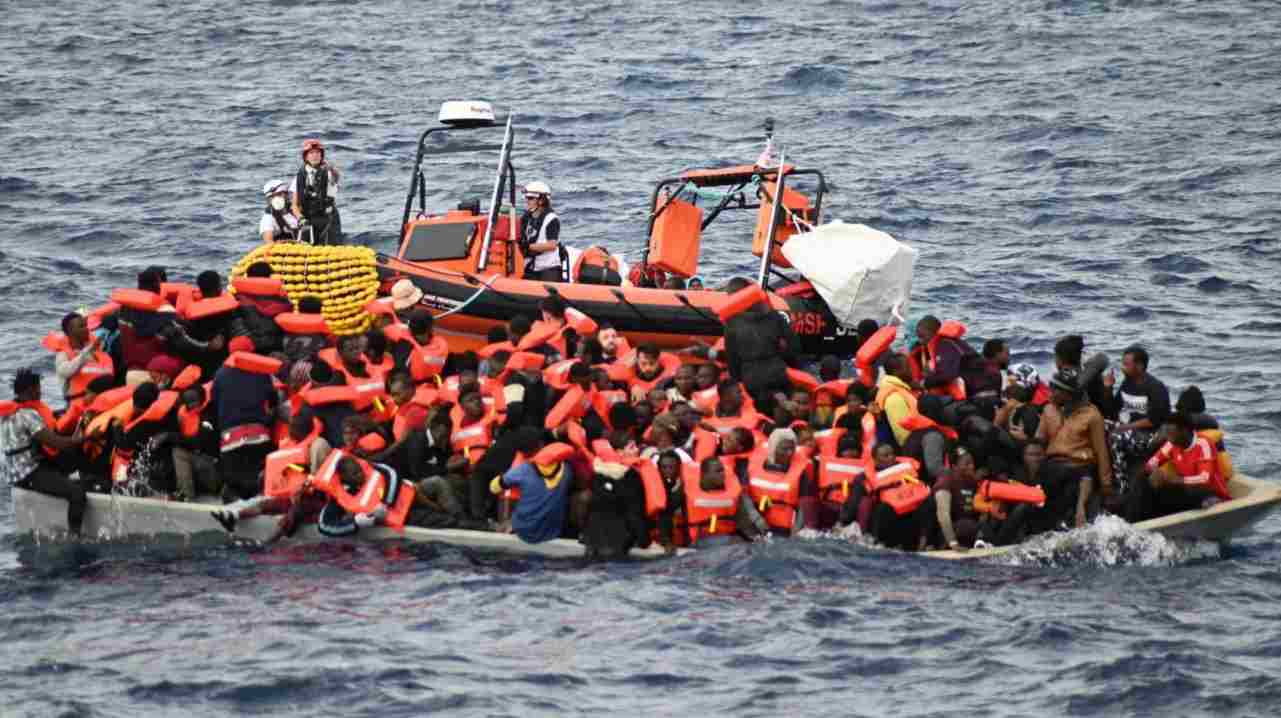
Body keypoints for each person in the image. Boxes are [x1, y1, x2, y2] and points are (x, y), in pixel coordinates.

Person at [0, 369, 89, 535]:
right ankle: (75, 537)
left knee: (69, 467)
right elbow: (60, 444)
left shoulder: (8, 412)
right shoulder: (28, 415)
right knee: (78, 494)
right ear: (30, 390)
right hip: (29, 473)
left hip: (14, 472)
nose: (40, 392)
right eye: (38, 388)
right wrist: (87, 438)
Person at [1032, 368, 1113, 531]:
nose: (1050, 391)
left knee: (1080, 478)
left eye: (1055, 388)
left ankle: (1077, 513)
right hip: (1052, 466)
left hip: (1078, 466)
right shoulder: (1049, 409)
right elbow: (1039, 439)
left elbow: (1101, 451)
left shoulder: (1092, 415)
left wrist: (1106, 484)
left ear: (1067, 394)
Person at [1127, 412, 1231, 521]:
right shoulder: (1172, 443)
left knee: (1188, 492)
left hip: (1208, 492)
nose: (1168, 437)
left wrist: (1173, 479)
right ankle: (1135, 521)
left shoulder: (1203, 444)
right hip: (1185, 489)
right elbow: (1152, 463)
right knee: (1142, 481)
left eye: (1171, 433)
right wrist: (1152, 473)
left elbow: (1204, 478)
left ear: (1184, 431)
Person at [722, 278, 800, 417]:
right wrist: (788, 365)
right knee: (784, 412)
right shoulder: (774, 315)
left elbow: (732, 359)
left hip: (751, 377)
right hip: (777, 370)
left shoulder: (732, 323)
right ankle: (782, 402)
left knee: (762, 413)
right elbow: (793, 346)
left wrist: (738, 381)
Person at [1104, 345, 1171, 473]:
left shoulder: (1155, 387)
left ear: (1139, 366)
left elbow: (1155, 420)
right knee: (1100, 424)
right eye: (1122, 363)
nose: (1122, 367)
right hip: (1128, 429)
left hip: (1148, 435)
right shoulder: (1127, 383)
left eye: (1126, 364)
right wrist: (1108, 388)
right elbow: (1112, 411)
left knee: (1115, 437)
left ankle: (1121, 481)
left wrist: (1126, 427)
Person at [492, 443, 575, 544]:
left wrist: (509, 473)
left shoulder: (523, 470)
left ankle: (505, 525)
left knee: (509, 489)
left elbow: (493, 488)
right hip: (553, 532)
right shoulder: (567, 470)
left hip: (524, 532)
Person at [52, 312, 114, 402]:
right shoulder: (63, 355)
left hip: (104, 401)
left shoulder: (98, 352)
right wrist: (88, 351)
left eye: (86, 325)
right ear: (70, 331)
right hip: (79, 405)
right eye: (82, 326)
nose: (87, 329)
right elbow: (65, 371)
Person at [291, 139, 342, 245]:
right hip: (307, 220)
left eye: (318, 153)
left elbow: (336, 176)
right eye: (311, 153)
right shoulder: (299, 177)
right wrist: (301, 219)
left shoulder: (329, 172)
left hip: (328, 219)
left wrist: (331, 169)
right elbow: (294, 205)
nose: (315, 156)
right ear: (306, 156)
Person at [520, 181, 566, 282]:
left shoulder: (551, 219)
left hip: (547, 268)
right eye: (526, 198)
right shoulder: (527, 218)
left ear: (541, 200)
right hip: (530, 267)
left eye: (530, 198)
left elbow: (551, 245)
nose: (527, 201)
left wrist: (527, 247)